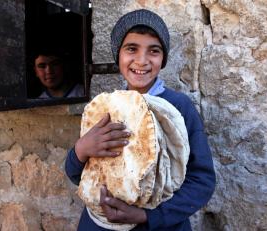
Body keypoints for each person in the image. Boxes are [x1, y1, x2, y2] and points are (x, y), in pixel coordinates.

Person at [65, 9, 216, 230]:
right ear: (118, 55)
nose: (142, 60)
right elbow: (79, 175)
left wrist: (147, 216)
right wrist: (80, 150)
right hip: (100, 224)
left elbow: (202, 181)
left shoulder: (178, 108)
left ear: (163, 58)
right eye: (131, 49)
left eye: (153, 51)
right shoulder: (106, 106)